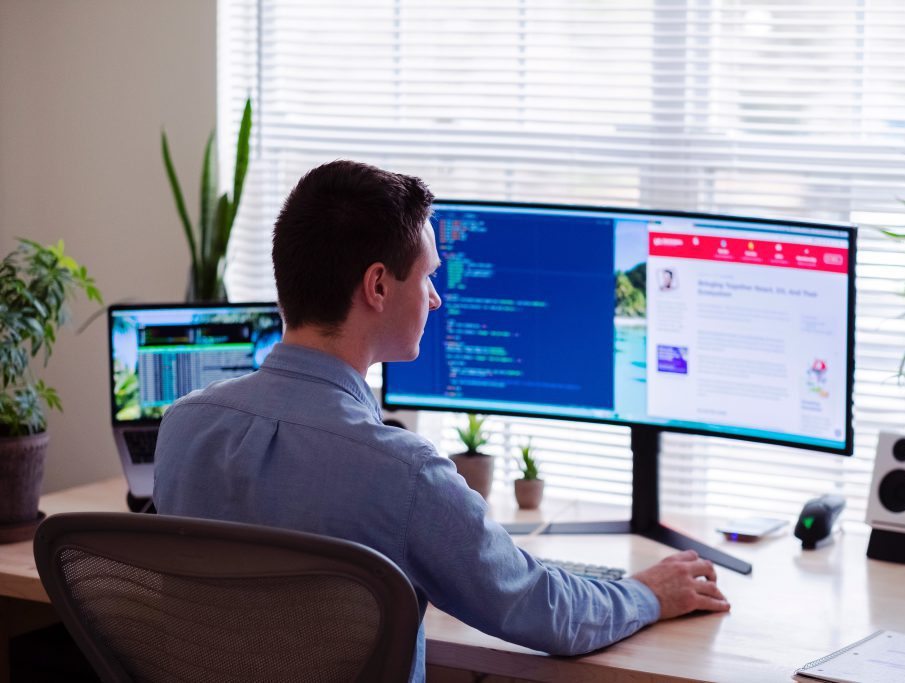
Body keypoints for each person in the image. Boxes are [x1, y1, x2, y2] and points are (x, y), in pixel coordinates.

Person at [153, 159, 729, 682]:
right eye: (427, 276)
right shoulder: (402, 474)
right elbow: (541, 610)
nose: (436, 300)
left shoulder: (183, 427)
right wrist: (648, 594)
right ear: (377, 286)